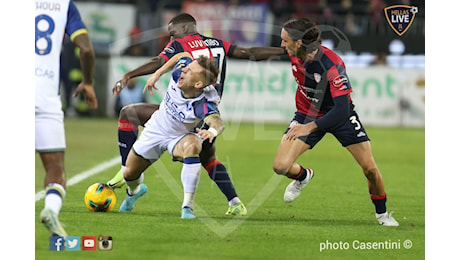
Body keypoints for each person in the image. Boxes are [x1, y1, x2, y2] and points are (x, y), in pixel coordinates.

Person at [108, 13, 287, 216]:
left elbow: (160, 59)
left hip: (199, 110)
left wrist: (130, 74)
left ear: (184, 29)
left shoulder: (182, 43)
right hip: (193, 107)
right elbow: (248, 52)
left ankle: (209, 204)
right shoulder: (217, 43)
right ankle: (234, 201)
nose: (170, 39)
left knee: (203, 156)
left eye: (171, 34)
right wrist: (285, 51)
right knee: (131, 114)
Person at [272, 17, 399, 226]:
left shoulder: (332, 65)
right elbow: (262, 53)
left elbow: (341, 110)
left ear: (299, 42)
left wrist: (309, 127)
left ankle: (382, 214)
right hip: (307, 113)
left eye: (285, 41)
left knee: (370, 169)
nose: (281, 45)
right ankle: (303, 176)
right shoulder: (293, 53)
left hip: (340, 118)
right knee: (280, 166)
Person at [119, 53, 222, 219]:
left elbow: (217, 121)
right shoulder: (179, 73)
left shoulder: (201, 103)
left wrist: (212, 131)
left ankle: (187, 207)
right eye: (186, 68)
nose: (183, 71)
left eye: (189, 71)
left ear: (198, 84)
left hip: (179, 137)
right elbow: (183, 55)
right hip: (155, 129)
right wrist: (158, 73)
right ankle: (134, 192)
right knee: (129, 174)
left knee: (193, 145)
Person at [35, 0, 98, 236]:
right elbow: (87, 49)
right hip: (46, 97)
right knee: (55, 168)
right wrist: (88, 82)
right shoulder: (64, 6)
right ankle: (51, 210)